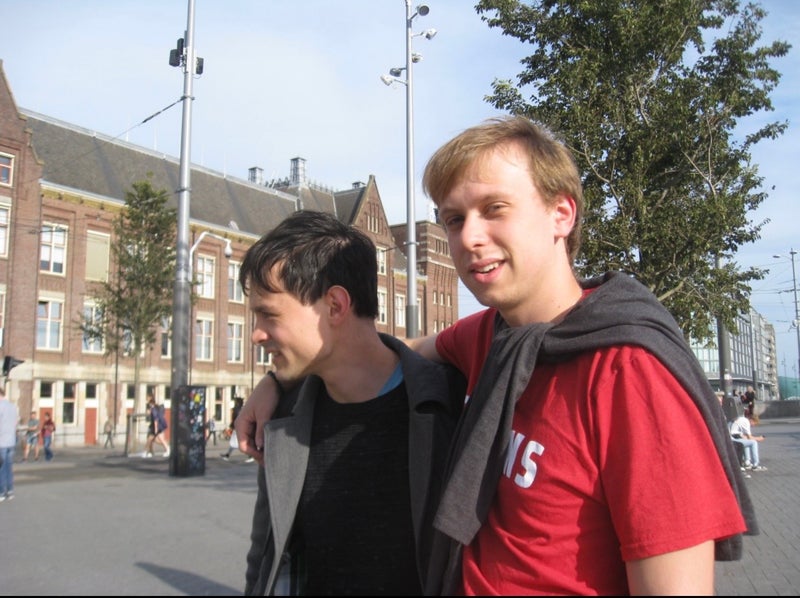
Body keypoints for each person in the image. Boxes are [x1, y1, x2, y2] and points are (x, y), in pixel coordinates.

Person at [236, 117, 757, 595]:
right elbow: (392, 349)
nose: (469, 237)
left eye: (494, 209)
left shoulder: (630, 373)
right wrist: (280, 379)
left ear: (561, 214)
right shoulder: (492, 335)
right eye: (454, 219)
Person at [237, 210, 464, 595]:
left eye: (268, 315)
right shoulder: (281, 419)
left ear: (335, 306)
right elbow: (264, 560)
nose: (256, 335)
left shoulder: (450, 403)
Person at [0, 386, 19, 501]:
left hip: (1, 442)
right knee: (8, 467)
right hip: (11, 441)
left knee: (1, 468)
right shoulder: (12, 406)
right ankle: (10, 491)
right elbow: (15, 423)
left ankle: (1, 492)